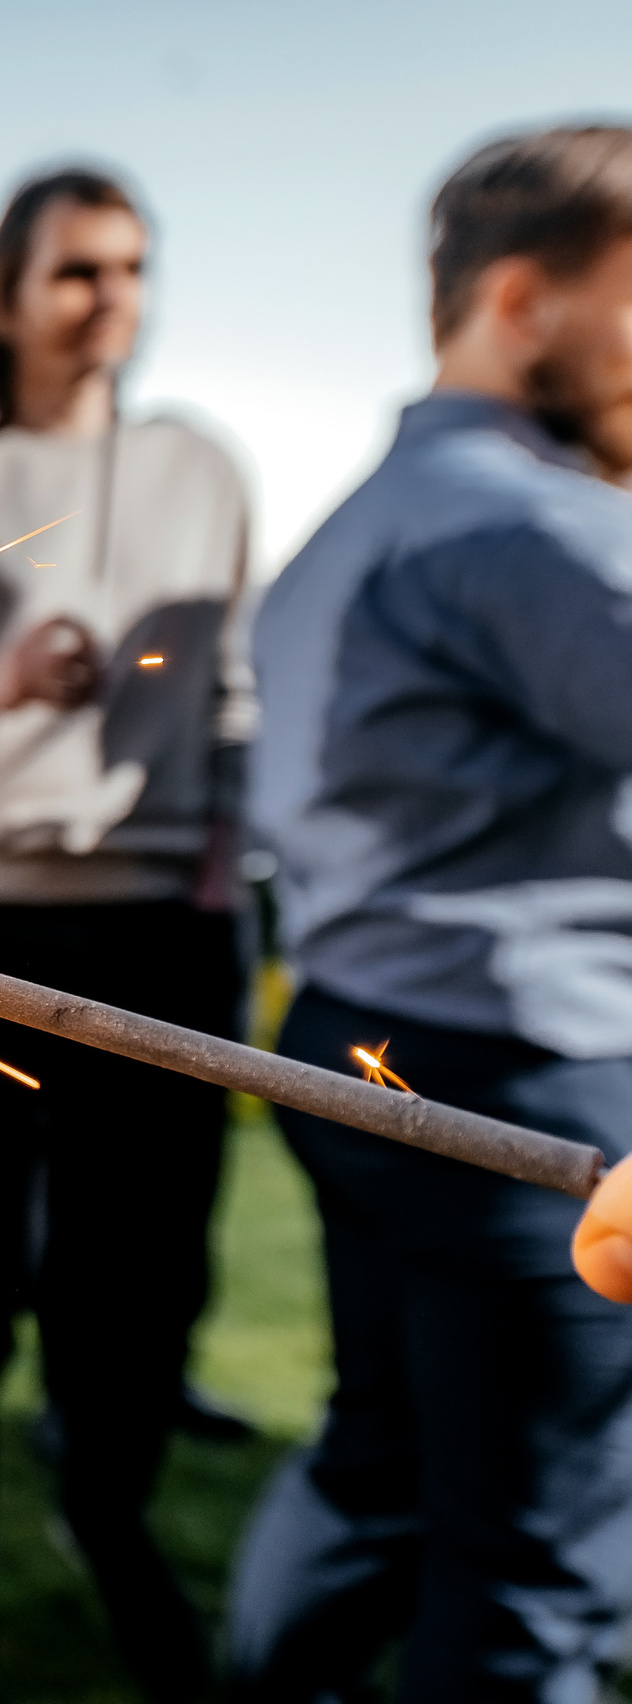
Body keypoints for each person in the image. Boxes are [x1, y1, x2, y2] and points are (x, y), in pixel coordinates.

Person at [229, 124, 632, 1703]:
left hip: (364, 1041)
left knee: (385, 1458)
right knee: (539, 1559)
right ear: (523, 302)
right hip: (528, 1080)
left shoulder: (361, 523)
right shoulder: (533, 529)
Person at [0, 167, 252, 1702]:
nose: (112, 299)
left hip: (155, 930)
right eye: (78, 270)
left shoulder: (202, 471)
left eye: (132, 268)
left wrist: (221, 863)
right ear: (4, 297)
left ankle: (105, 1515)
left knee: (135, 1309)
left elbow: (238, 704)